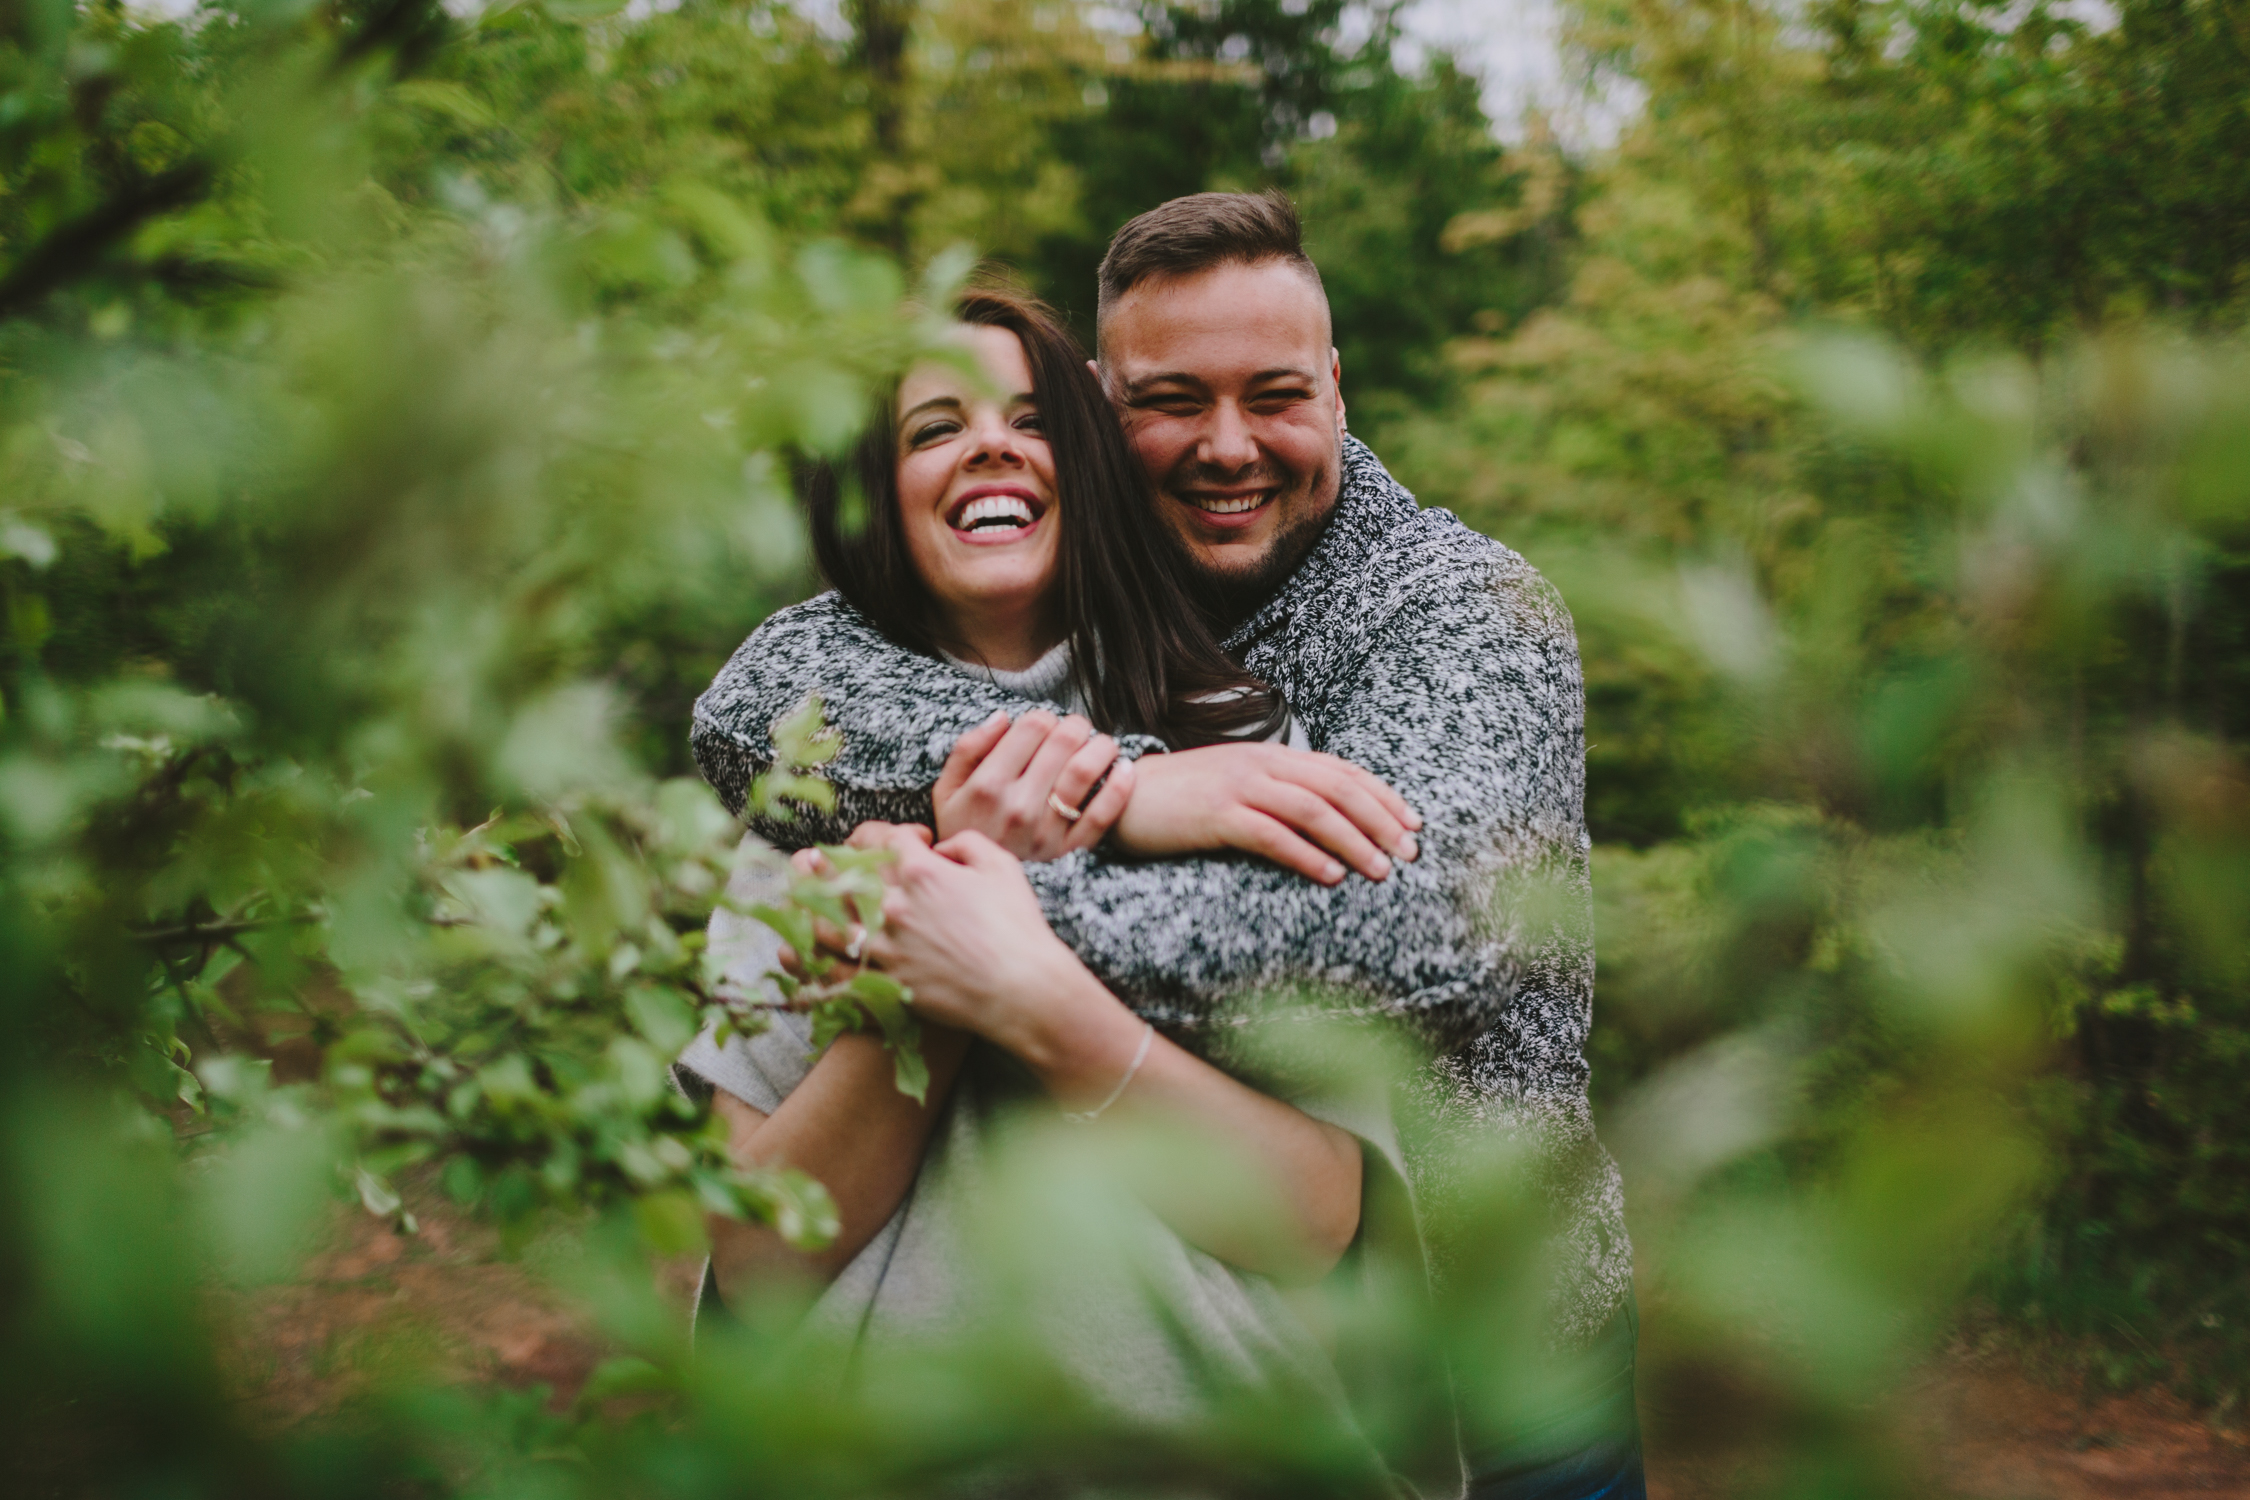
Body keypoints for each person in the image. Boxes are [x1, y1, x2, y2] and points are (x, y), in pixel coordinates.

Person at [689, 192, 1643, 1500]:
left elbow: (1421, 928)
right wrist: (1132, 792)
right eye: (1171, 400)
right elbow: (753, 711)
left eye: (1275, 394)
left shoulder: (1447, 608)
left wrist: (982, 919)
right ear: (1101, 407)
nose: (1227, 445)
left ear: (1337, 386)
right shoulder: (1046, 583)